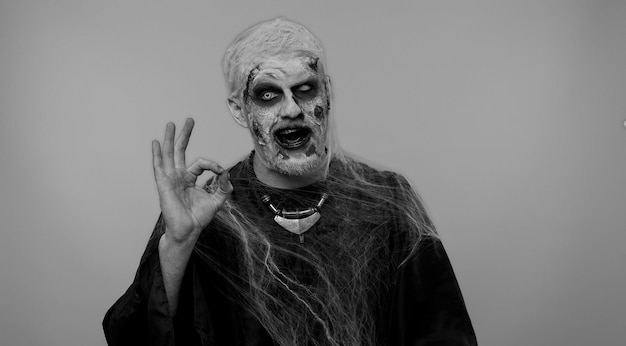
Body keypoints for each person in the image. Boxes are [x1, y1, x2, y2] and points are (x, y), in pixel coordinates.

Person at [103, 18, 477, 346]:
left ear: (327, 93)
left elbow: (443, 331)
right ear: (239, 109)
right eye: (268, 95)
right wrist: (178, 244)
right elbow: (135, 336)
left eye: (305, 89)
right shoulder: (207, 209)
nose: (292, 109)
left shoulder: (388, 198)